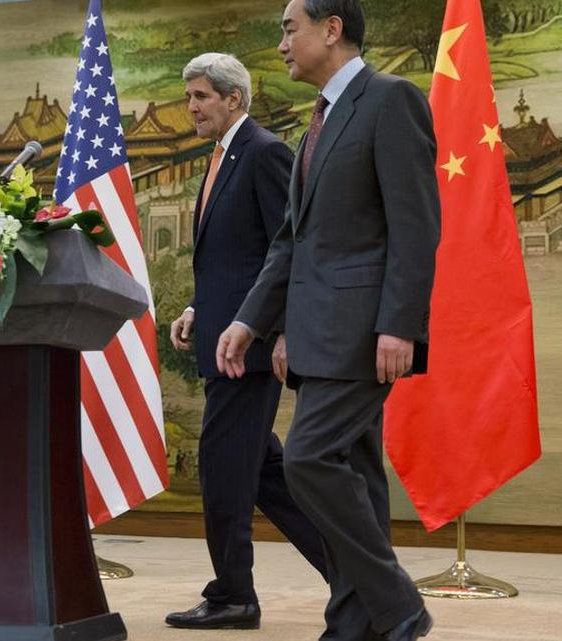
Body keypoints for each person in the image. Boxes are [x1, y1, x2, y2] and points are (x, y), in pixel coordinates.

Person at [214, 2, 441, 640]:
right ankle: (354, 624)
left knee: (308, 460)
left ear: (332, 29)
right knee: (359, 477)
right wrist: (253, 322)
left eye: (290, 29)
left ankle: (399, 607)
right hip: (316, 333)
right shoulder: (316, 118)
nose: (281, 44)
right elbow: (292, 242)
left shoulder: (391, 99)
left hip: (366, 331)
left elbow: (416, 226)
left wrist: (401, 324)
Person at [164, 52, 328, 631]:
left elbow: (289, 250)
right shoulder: (222, 156)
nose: (192, 108)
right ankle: (361, 578)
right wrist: (196, 310)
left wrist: (278, 329)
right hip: (222, 339)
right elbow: (237, 258)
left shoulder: (263, 153)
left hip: (248, 351)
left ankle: (233, 595)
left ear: (234, 98)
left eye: (202, 97)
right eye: (189, 98)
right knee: (266, 477)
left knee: (222, 470)